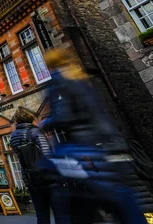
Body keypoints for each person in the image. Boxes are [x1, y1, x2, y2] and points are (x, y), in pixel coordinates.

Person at [42, 50, 147, 224]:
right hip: (113, 144)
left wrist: (46, 123)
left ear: (50, 65)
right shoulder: (81, 79)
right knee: (120, 198)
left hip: (88, 150)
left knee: (82, 201)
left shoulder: (58, 82)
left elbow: (65, 117)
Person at [10, 107, 69, 224]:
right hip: (49, 179)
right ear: (30, 118)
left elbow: (20, 157)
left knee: (41, 215)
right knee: (61, 214)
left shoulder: (13, 136)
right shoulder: (35, 131)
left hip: (31, 180)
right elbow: (47, 154)